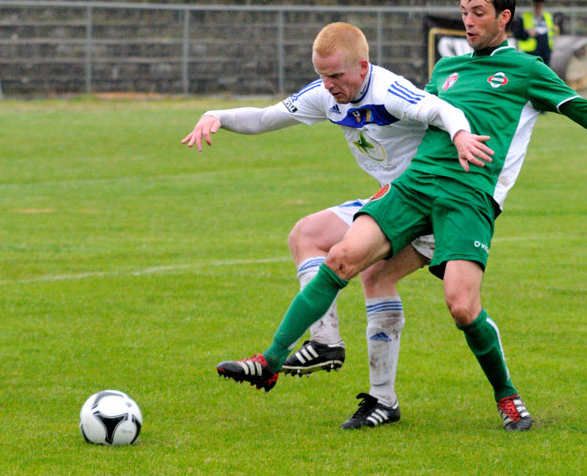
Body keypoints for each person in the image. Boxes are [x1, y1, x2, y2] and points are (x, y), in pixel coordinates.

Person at [215, 0, 587, 432]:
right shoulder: (447, 68)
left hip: (468, 195)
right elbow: (425, 117)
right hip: (417, 183)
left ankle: (506, 394)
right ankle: (270, 361)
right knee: (340, 257)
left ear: (505, 17)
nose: (468, 21)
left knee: (462, 306)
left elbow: (579, 108)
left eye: (478, 13)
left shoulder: (527, 70)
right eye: (464, 12)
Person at [184, 22, 493, 429]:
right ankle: (326, 342)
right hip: (388, 199)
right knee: (306, 235)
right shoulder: (325, 95)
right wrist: (215, 116)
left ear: (362, 67)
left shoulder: (388, 89)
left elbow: (441, 109)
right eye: (321, 75)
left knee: (373, 276)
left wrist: (459, 135)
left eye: (335, 76)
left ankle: (378, 397)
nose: (327, 85)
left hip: (427, 203)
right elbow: (263, 118)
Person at [514, 0, 558, 66]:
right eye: (536, 5)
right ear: (532, 6)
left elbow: (552, 33)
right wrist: (528, 34)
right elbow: (517, 34)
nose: (538, 8)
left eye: (540, 5)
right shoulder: (524, 17)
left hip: (545, 52)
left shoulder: (548, 17)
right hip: (530, 53)